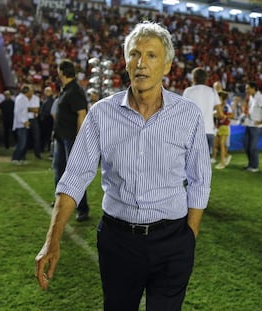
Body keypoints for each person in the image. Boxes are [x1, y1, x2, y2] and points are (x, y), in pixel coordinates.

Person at [35, 21, 211, 311]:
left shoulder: (188, 115)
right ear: (126, 62)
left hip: (173, 240)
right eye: (134, 54)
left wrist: (188, 239)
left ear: (167, 66)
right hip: (118, 242)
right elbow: (75, 177)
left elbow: (200, 180)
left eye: (151, 55)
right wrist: (52, 239)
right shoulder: (101, 113)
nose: (141, 63)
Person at [52, 59, 90, 222]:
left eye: (59, 69)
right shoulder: (66, 89)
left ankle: (82, 209)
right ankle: (61, 201)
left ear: (63, 72)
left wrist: (80, 139)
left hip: (70, 138)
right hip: (61, 137)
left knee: (74, 173)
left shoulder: (75, 90)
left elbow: (82, 114)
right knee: (59, 170)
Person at [183, 67, 222, 158]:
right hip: (208, 131)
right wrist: (209, 113)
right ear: (206, 79)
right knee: (204, 165)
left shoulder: (188, 91)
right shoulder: (212, 91)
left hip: (192, 132)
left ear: (194, 78)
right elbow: (220, 113)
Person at [243, 82, 262, 172]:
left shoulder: (259, 96)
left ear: (253, 88)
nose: (246, 90)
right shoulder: (251, 97)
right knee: (246, 145)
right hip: (249, 124)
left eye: (248, 88)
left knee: (252, 147)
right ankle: (250, 164)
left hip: (256, 126)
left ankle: (255, 166)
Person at [213, 90, 233, 169]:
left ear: (223, 99)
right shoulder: (217, 107)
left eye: (219, 97)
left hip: (224, 126)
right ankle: (227, 156)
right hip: (218, 127)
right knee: (218, 145)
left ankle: (222, 163)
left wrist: (224, 116)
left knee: (221, 144)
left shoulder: (226, 107)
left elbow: (232, 115)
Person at [11, 84, 30, 165]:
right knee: (21, 143)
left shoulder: (23, 98)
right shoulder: (20, 99)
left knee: (22, 143)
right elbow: (17, 112)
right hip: (20, 124)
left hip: (23, 123)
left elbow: (24, 111)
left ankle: (19, 158)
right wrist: (24, 121)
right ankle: (15, 158)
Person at [26, 84, 42, 159]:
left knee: (36, 136)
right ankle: (22, 154)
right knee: (24, 137)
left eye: (32, 90)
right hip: (25, 119)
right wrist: (31, 109)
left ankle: (37, 154)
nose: (31, 91)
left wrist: (26, 109)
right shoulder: (23, 98)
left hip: (33, 119)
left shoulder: (36, 98)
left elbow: (36, 110)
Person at [39, 86, 54, 153]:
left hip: (48, 118)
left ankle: (47, 148)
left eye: (47, 91)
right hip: (45, 119)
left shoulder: (51, 100)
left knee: (47, 134)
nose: (45, 92)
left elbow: (47, 110)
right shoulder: (45, 99)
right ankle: (44, 148)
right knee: (45, 134)